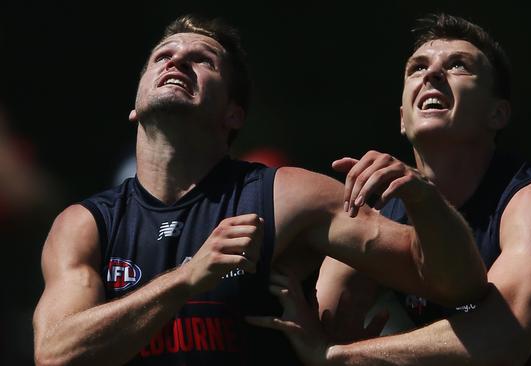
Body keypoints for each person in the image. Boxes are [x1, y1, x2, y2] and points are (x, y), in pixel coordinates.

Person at [31, 14, 488, 366]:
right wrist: (186, 279)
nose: (176, 61)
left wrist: (425, 198)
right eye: (162, 56)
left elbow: (459, 285)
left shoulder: (287, 196)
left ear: (234, 114)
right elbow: (56, 354)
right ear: (135, 106)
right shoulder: (85, 224)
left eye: (201, 61)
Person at [249, 13, 531, 365]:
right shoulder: (373, 213)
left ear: (498, 113)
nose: (432, 73)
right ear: (402, 119)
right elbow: (319, 322)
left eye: (458, 65)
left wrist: (338, 356)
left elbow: (501, 342)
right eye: (417, 67)